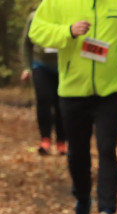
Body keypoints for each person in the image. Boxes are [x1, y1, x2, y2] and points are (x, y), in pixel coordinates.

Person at [28, 0, 117, 214]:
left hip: (112, 89)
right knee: (78, 152)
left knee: (107, 148)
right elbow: (36, 30)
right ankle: (83, 198)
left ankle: (106, 210)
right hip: (73, 90)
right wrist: (67, 31)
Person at [21, 9, 66, 156]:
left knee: (61, 104)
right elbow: (26, 44)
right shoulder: (34, 17)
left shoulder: (67, 15)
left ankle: (61, 141)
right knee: (44, 100)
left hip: (63, 67)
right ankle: (45, 139)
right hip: (40, 65)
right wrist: (27, 67)